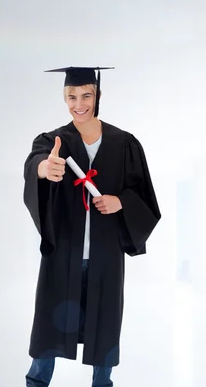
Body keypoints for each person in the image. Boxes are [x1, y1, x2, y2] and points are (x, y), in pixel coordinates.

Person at [22, 66, 161, 387]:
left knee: (105, 326)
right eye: (71, 96)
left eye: (86, 95)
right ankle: (37, 383)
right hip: (63, 252)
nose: (78, 103)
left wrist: (121, 202)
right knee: (48, 328)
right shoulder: (53, 140)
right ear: (64, 97)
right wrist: (45, 168)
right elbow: (36, 163)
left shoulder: (124, 143)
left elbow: (145, 194)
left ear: (98, 96)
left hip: (105, 255)